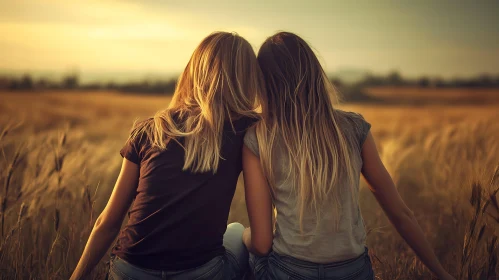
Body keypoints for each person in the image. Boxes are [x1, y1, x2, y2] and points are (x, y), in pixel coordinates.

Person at [241, 32, 454, 280]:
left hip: (290, 271)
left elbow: (262, 244)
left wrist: (243, 234)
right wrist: (442, 274)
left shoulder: (258, 138)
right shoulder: (353, 128)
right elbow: (400, 213)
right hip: (353, 271)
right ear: (313, 73)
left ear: (264, 83)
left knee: (235, 242)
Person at [70, 31, 265, 280]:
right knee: (238, 233)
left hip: (129, 270)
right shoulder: (246, 128)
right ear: (246, 79)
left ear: (194, 71)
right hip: (201, 272)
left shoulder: (151, 129)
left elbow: (107, 223)